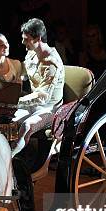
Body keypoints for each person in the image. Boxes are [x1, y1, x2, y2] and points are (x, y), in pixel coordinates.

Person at [12, 18, 64, 157]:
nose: (23, 42)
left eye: (26, 39)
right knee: (9, 121)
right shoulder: (31, 54)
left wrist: (17, 101)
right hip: (32, 105)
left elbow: (42, 97)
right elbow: (22, 74)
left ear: (38, 38)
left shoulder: (51, 63)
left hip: (49, 108)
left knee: (26, 126)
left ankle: (10, 159)